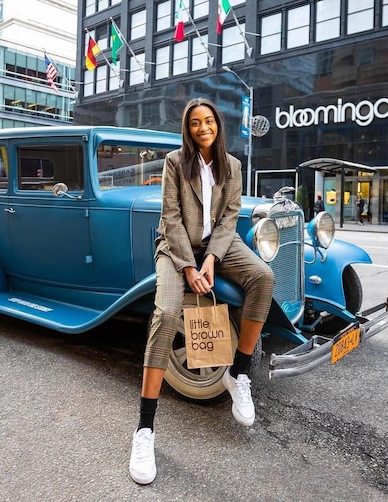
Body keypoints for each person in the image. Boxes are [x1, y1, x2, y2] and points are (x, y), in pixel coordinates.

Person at [129, 98, 275, 485]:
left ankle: (237, 373)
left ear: (217, 125)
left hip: (218, 248)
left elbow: (229, 218)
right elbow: (171, 219)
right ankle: (144, 430)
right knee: (166, 312)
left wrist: (211, 260)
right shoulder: (175, 163)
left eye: (208, 121)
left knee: (263, 277)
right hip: (175, 248)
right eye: (195, 123)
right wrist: (189, 266)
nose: (203, 128)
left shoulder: (234, 166)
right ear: (188, 128)